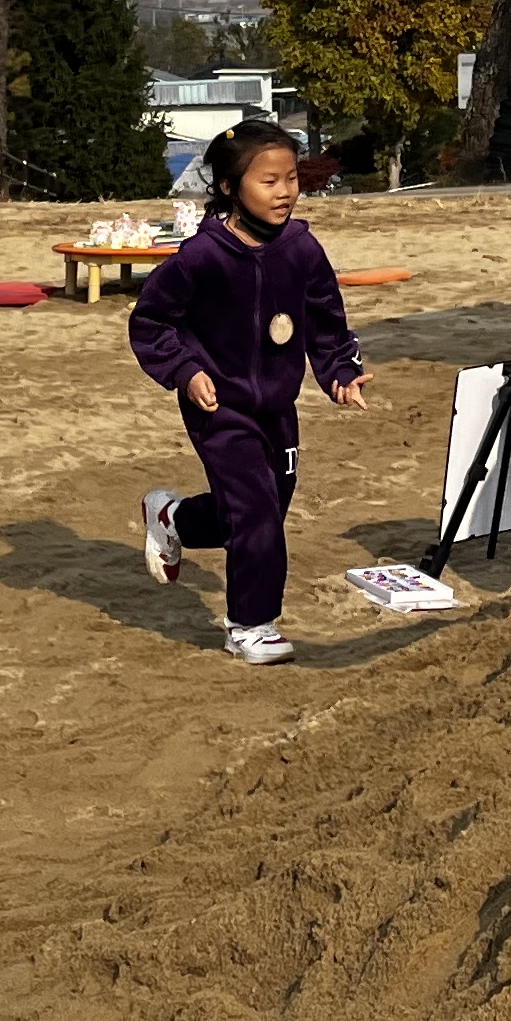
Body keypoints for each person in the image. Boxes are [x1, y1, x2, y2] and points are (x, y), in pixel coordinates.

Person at [129, 119, 369, 663]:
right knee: (256, 514)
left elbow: (326, 323)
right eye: (269, 181)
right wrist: (186, 372)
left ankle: (171, 518)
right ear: (230, 188)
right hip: (218, 406)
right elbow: (151, 323)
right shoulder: (199, 257)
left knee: (258, 513)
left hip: (278, 409)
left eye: (291, 179)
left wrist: (339, 374)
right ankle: (250, 626)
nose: (285, 191)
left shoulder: (303, 249)